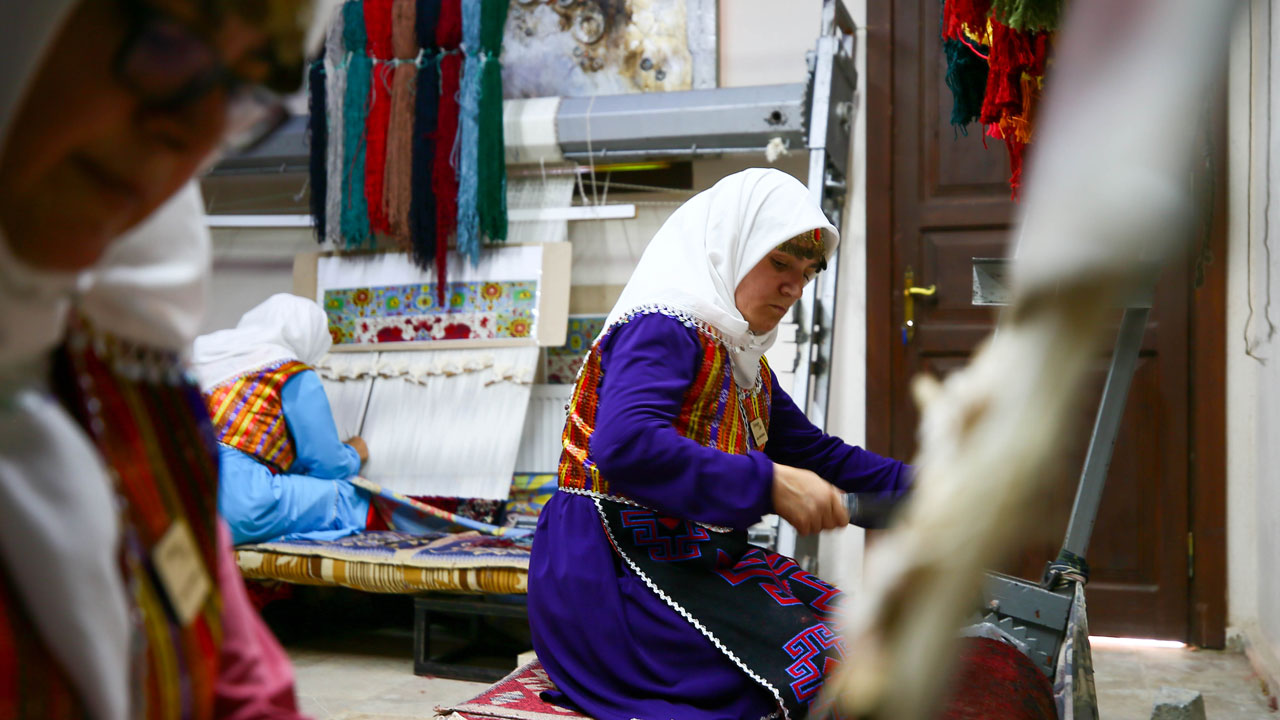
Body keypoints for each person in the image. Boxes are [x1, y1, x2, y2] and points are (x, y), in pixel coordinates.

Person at [0, 1, 331, 717]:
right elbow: (329, 464)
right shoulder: (288, 374)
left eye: (243, 84)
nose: (197, 127)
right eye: (169, 35)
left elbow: (227, 659)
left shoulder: (129, 374)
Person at [528, 168, 912, 720]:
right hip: (608, 574)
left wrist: (933, 492)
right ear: (727, 248)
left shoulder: (740, 362)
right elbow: (626, 445)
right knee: (828, 669)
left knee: (865, 632)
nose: (793, 288)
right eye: (779, 263)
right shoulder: (661, 326)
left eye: (807, 273)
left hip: (687, 558)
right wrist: (769, 484)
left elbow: (822, 457)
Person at [194, 294, 374, 545]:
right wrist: (354, 453)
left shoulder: (205, 355)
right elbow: (328, 466)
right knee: (348, 497)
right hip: (238, 507)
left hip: (184, 499)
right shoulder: (290, 370)